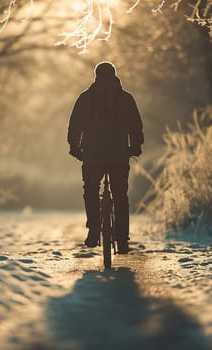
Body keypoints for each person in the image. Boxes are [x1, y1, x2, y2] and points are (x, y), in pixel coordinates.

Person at [67, 61, 144, 254]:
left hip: (93, 154)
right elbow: (136, 126)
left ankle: (94, 230)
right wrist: (135, 146)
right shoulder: (126, 99)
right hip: (119, 154)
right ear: (115, 76)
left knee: (91, 189)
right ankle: (122, 239)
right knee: (120, 196)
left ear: (95, 76)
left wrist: (74, 146)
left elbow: (75, 125)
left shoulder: (85, 98)